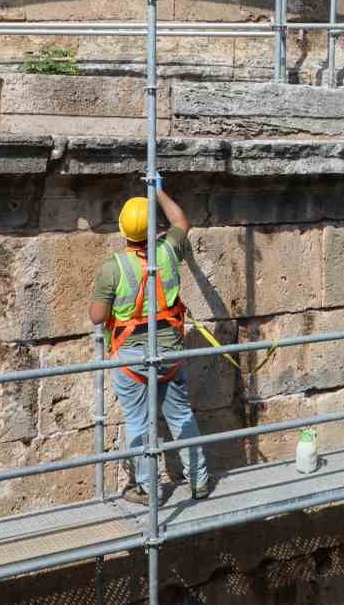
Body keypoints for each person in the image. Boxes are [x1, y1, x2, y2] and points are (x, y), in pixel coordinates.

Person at [88, 184, 211, 502]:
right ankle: (199, 480)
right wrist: (157, 190)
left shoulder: (113, 267)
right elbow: (182, 222)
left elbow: (97, 316)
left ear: (122, 229)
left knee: (138, 421)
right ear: (154, 228)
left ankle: (148, 487)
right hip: (170, 350)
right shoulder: (169, 250)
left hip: (131, 357)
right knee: (181, 415)